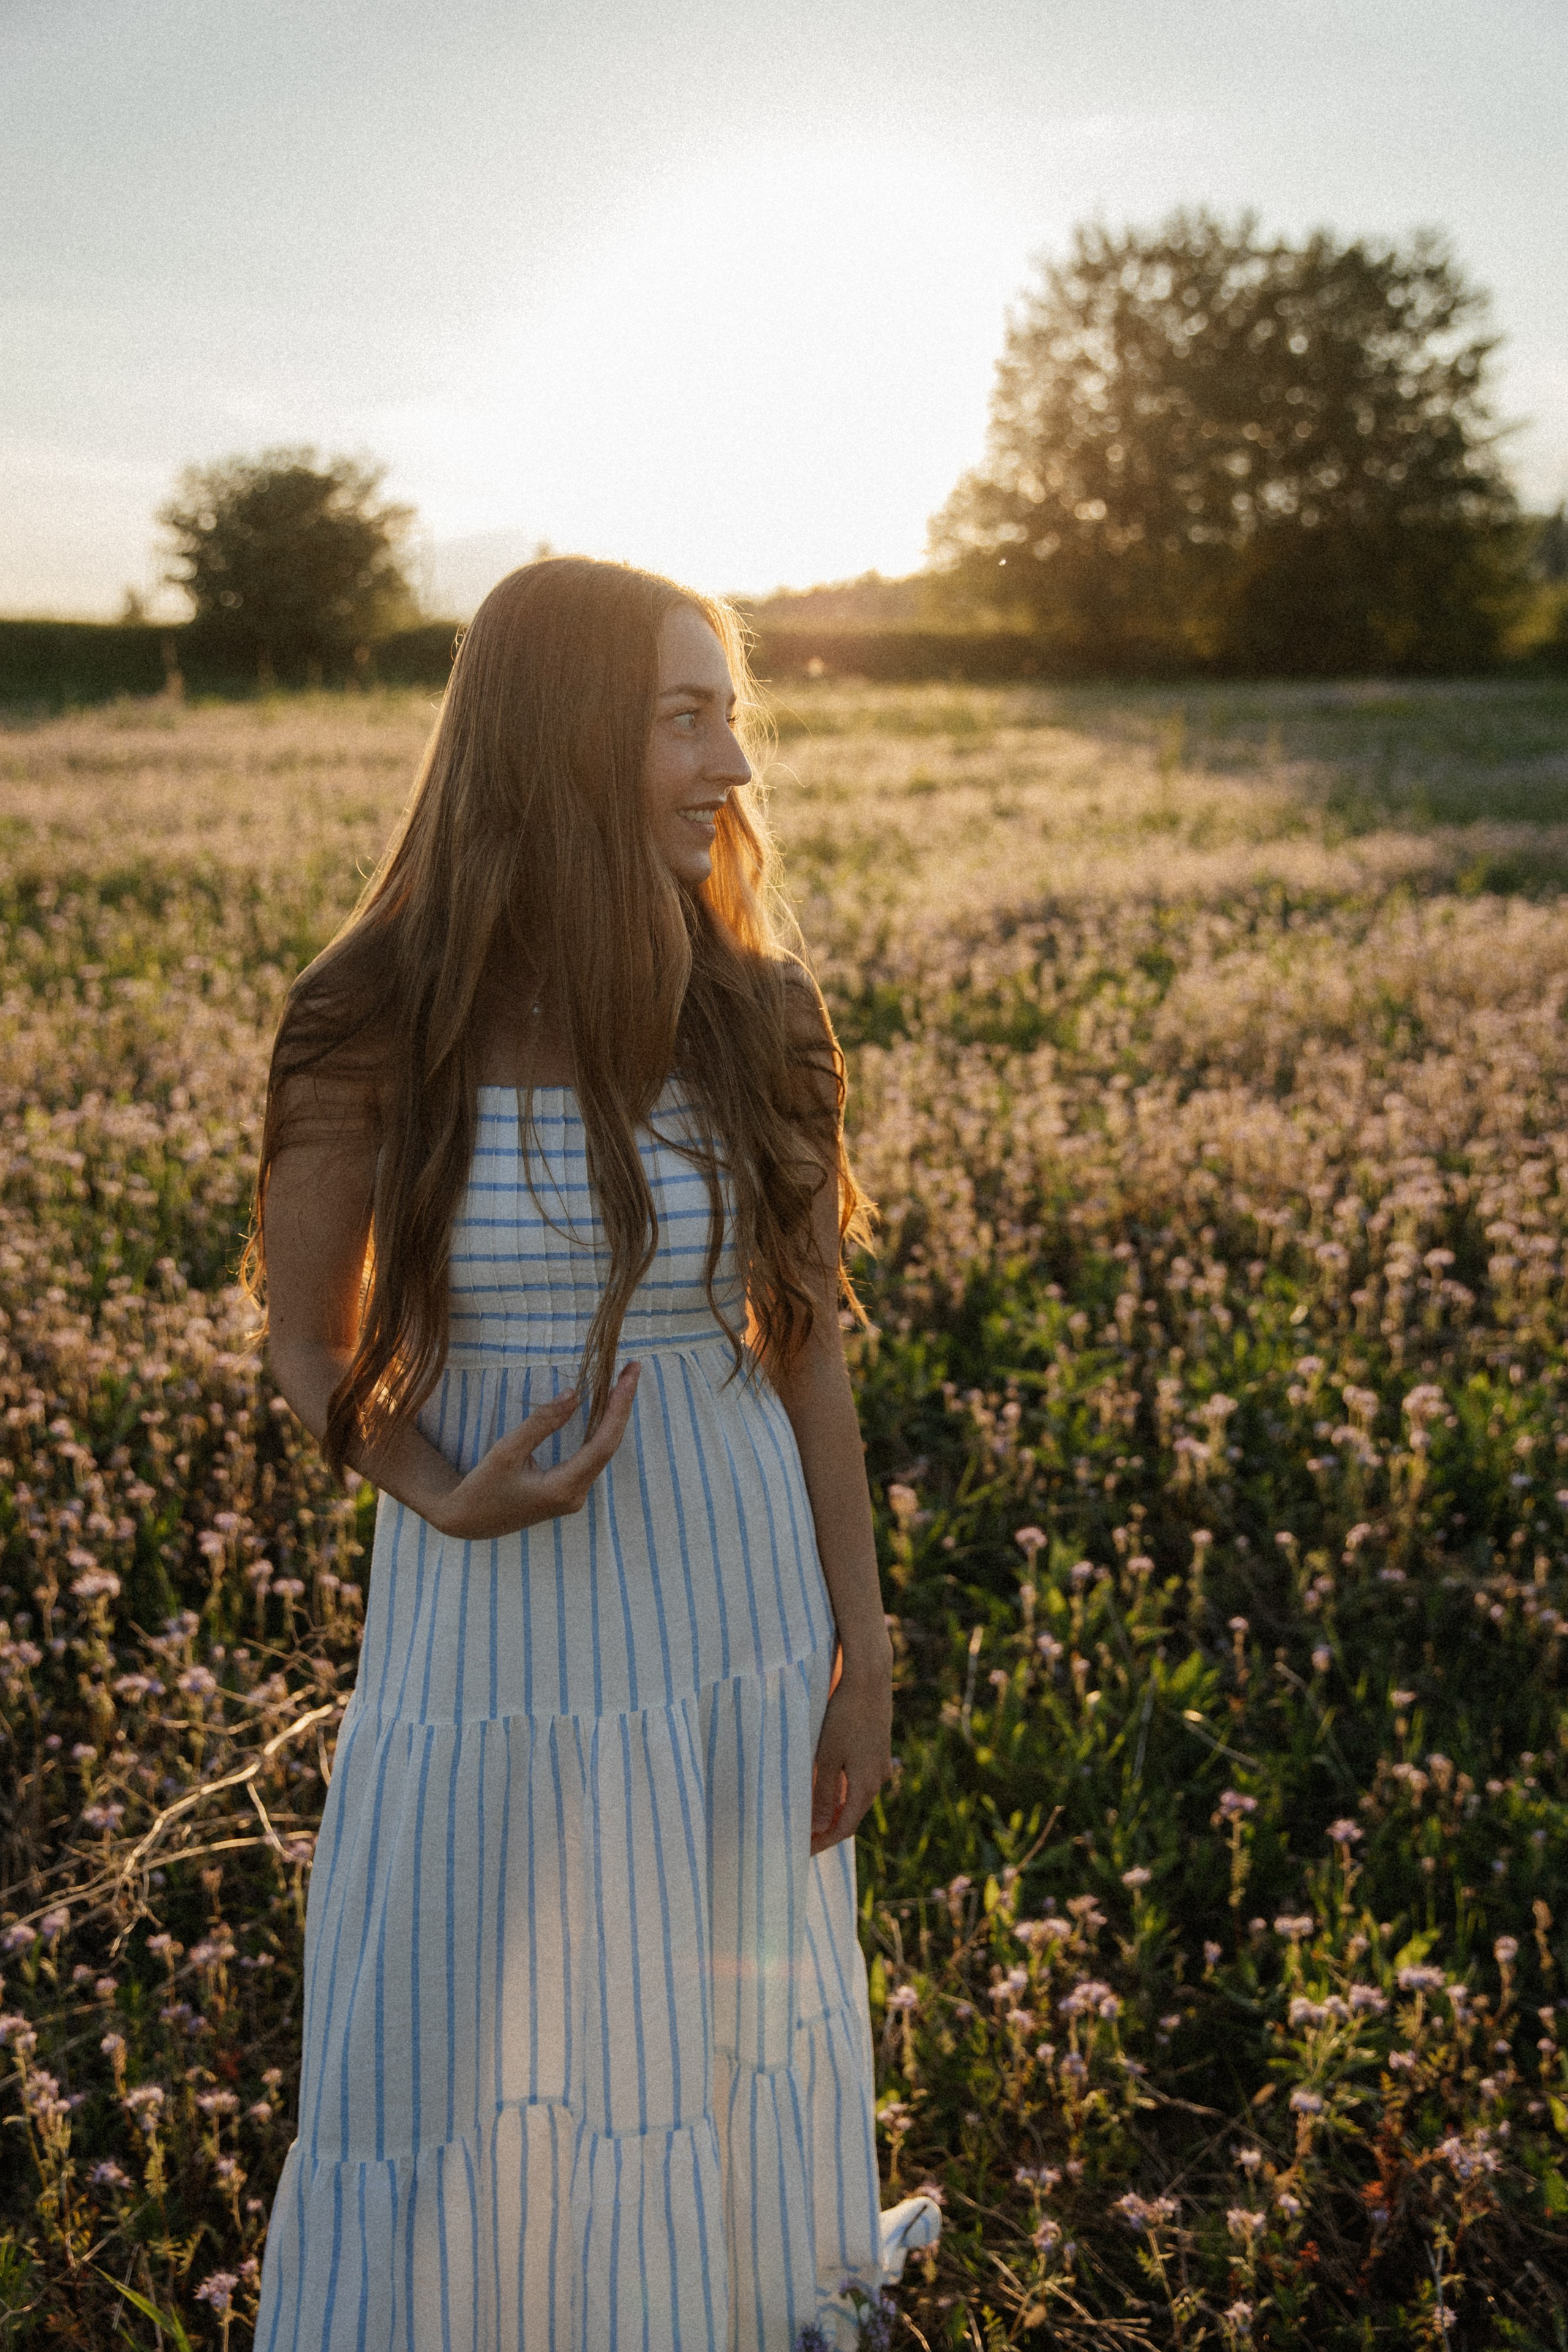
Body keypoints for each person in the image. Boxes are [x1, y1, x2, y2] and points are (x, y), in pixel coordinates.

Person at [247, 557, 940, 2351]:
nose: (734, 767)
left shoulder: (758, 1010)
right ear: (562, 741)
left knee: (716, 2017)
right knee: (446, 2019)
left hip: (731, 1599)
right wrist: (436, 1483)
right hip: (486, 1624)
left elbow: (806, 1349)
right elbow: (312, 1344)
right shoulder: (366, 1010)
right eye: (685, 717)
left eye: (737, 716)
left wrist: (862, 1652)